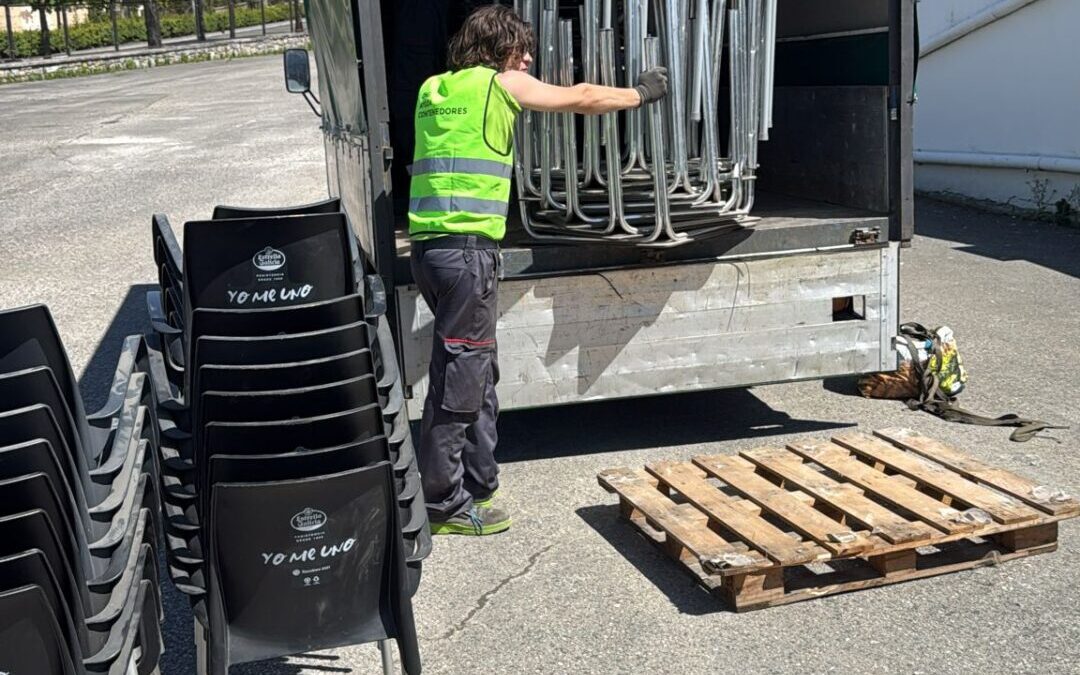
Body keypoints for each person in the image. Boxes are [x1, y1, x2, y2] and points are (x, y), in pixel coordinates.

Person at [410, 5, 668, 536]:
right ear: (497, 48)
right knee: (459, 379)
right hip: (467, 255)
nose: (527, 59)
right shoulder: (499, 85)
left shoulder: (433, 89)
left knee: (477, 368)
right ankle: (442, 505)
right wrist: (640, 94)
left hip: (430, 253)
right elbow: (581, 97)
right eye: (520, 49)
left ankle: (480, 481)